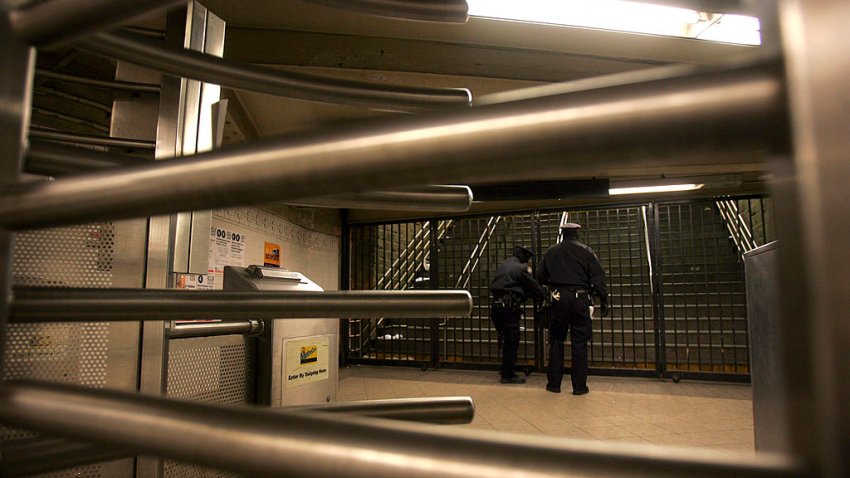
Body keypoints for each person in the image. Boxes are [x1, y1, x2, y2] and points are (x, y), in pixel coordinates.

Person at [538, 222, 608, 395]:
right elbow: (598, 278)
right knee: (580, 342)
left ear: (562, 234)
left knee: (556, 341)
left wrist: (555, 284)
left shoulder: (551, 251)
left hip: (558, 297)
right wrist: (604, 299)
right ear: (577, 234)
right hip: (580, 297)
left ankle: (554, 384)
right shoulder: (586, 251)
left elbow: (540, 276)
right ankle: (579, 387)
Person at [490, 246, 547, 384]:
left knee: (506, 339)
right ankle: (507, 374)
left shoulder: (505, 265)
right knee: (512, 340)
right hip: (509, 307)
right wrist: (543, 295)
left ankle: (505, 368)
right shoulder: (520, 268)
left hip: (497, 306)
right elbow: (532, 285)